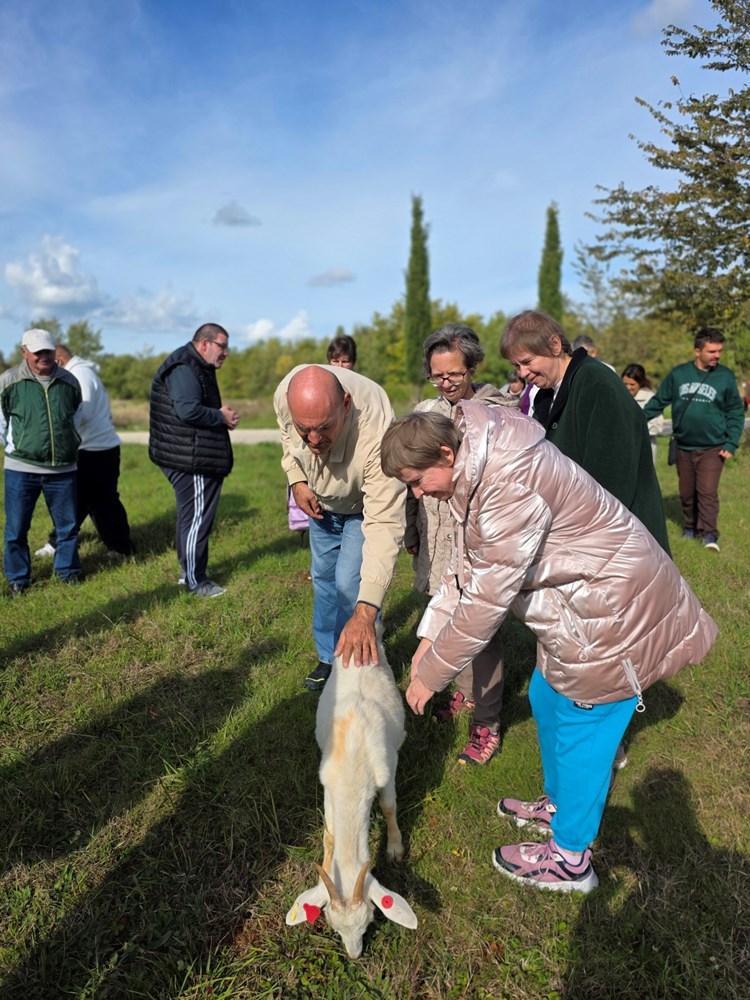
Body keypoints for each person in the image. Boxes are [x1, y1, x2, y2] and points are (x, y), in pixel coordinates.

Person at [380, 405, 717, 892]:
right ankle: (559, 803)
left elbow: (486, 599)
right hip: (578, 607)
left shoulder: (504, 483)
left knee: (585, 728)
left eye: (415, 480)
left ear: (447, 453)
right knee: (546, 697)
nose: (417, 493)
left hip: (610, 612)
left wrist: (431, 674)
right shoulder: (473, 472)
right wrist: (429, 638)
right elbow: (471, 567)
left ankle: (570, 859)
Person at [406, 323, 517, 765]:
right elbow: (409, 478)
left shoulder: (497, 412)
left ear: (472, 367)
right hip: (437, 538)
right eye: (437, 375)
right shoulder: (425, 410)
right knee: (448, 619)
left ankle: (486, 722)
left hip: (480, 539)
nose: (446, 383)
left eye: (453, 374)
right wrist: (413, 533)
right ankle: (465, 693)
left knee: (481, 632)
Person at [274, 364, 406, 690]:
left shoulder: (378, 432)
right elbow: (285, 437)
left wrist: (365, 613)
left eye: (324, 428)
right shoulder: (284, 397)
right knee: (324, 581)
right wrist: (297, 480)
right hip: (319, 507)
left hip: (362, 509)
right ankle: (329, 658)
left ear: (345, 404)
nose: (314, 440)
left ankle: (358, 670)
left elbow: (385, 521)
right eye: (305, 429)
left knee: (350, 587)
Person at [502, 311, 670, 555]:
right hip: (583, 535)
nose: (523, 373)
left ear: (555, 345)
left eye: (527, 362)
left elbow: (611, 478)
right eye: (516, 366)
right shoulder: (547, 394)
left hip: (622, 539)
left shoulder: (596, 383)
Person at [149, 323, 238, 597]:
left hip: (191, 453)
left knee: (190, 517)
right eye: (222, 346)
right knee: (197, 519)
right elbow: (187, 411)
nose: (226, 353)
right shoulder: (185, 366)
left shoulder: (195, 363)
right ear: (204, 344)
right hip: (191, 457)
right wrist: (220, 417)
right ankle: (196, 581)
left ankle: (187, 574)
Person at [643, 328, 745, 553]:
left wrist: (731, 443)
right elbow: (659, 401)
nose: (717, 355)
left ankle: (709, 534)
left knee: (707, 492)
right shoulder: (679, 374)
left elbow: (736, 413)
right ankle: (690, 527)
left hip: (713, 447)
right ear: (697, 351)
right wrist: (635, 419)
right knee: (687, 493)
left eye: (719, 351)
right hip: (683, 445)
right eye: (712, 351)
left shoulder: (725, 377)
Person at [0, 328, 82, 593]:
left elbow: (76, 419)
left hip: (63, 469)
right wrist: (22, 447)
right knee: (16, 529)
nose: (43, 357)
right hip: (21, 470)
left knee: (67, 527)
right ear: (24, 352)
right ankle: (18, 579)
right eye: (37, 352)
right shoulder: (8, 381)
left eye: (47, 350)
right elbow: (1, 424)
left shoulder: (69, 381)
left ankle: (67, 574)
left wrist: (68, 445)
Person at [35, 343, 134, 560]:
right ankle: (60, 543)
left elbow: (82, 412)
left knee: (101, 501)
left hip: (96, 450)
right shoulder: (78, 372)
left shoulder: (80, 375)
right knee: (83, 501)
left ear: (58, 361)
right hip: (91, 447)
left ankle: (121, 548)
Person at [621, 363, 664, 464]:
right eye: (625, 384)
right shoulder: (618, 395)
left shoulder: (651, 399)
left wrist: (633, 429)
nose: (628, 388)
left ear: (640, 383)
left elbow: (657, 426)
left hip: (644, 449)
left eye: (632, 385)